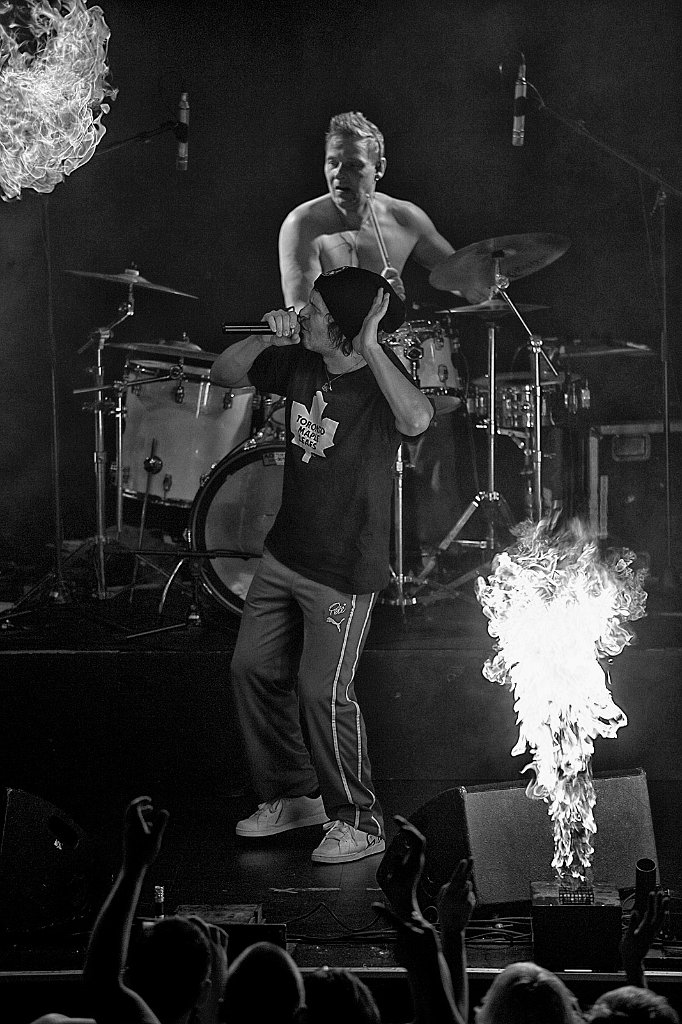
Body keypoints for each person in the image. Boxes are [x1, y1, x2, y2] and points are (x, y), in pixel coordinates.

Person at [210, 266, 433, 863]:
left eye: (314, 310)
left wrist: (371, 347)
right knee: (251, 669)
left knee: (321, 692)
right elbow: (222, 374)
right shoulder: (298, 361)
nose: (301, 314)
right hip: (284, 553)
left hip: (343, 568)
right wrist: (264, 336)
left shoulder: (382, 378)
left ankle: (360, 820)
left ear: (344, 327)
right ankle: (293, 795)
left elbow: (417, 420)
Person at [278, 110, 490, 311]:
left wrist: (487, 285)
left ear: (379, 168)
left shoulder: (405, 219)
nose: (339, 174)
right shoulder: (302, 224)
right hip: (328, 338)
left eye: (353, 165)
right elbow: (301, 312)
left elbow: (461, 277)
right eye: (332, 163)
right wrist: (369, 306)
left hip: (385, 338)